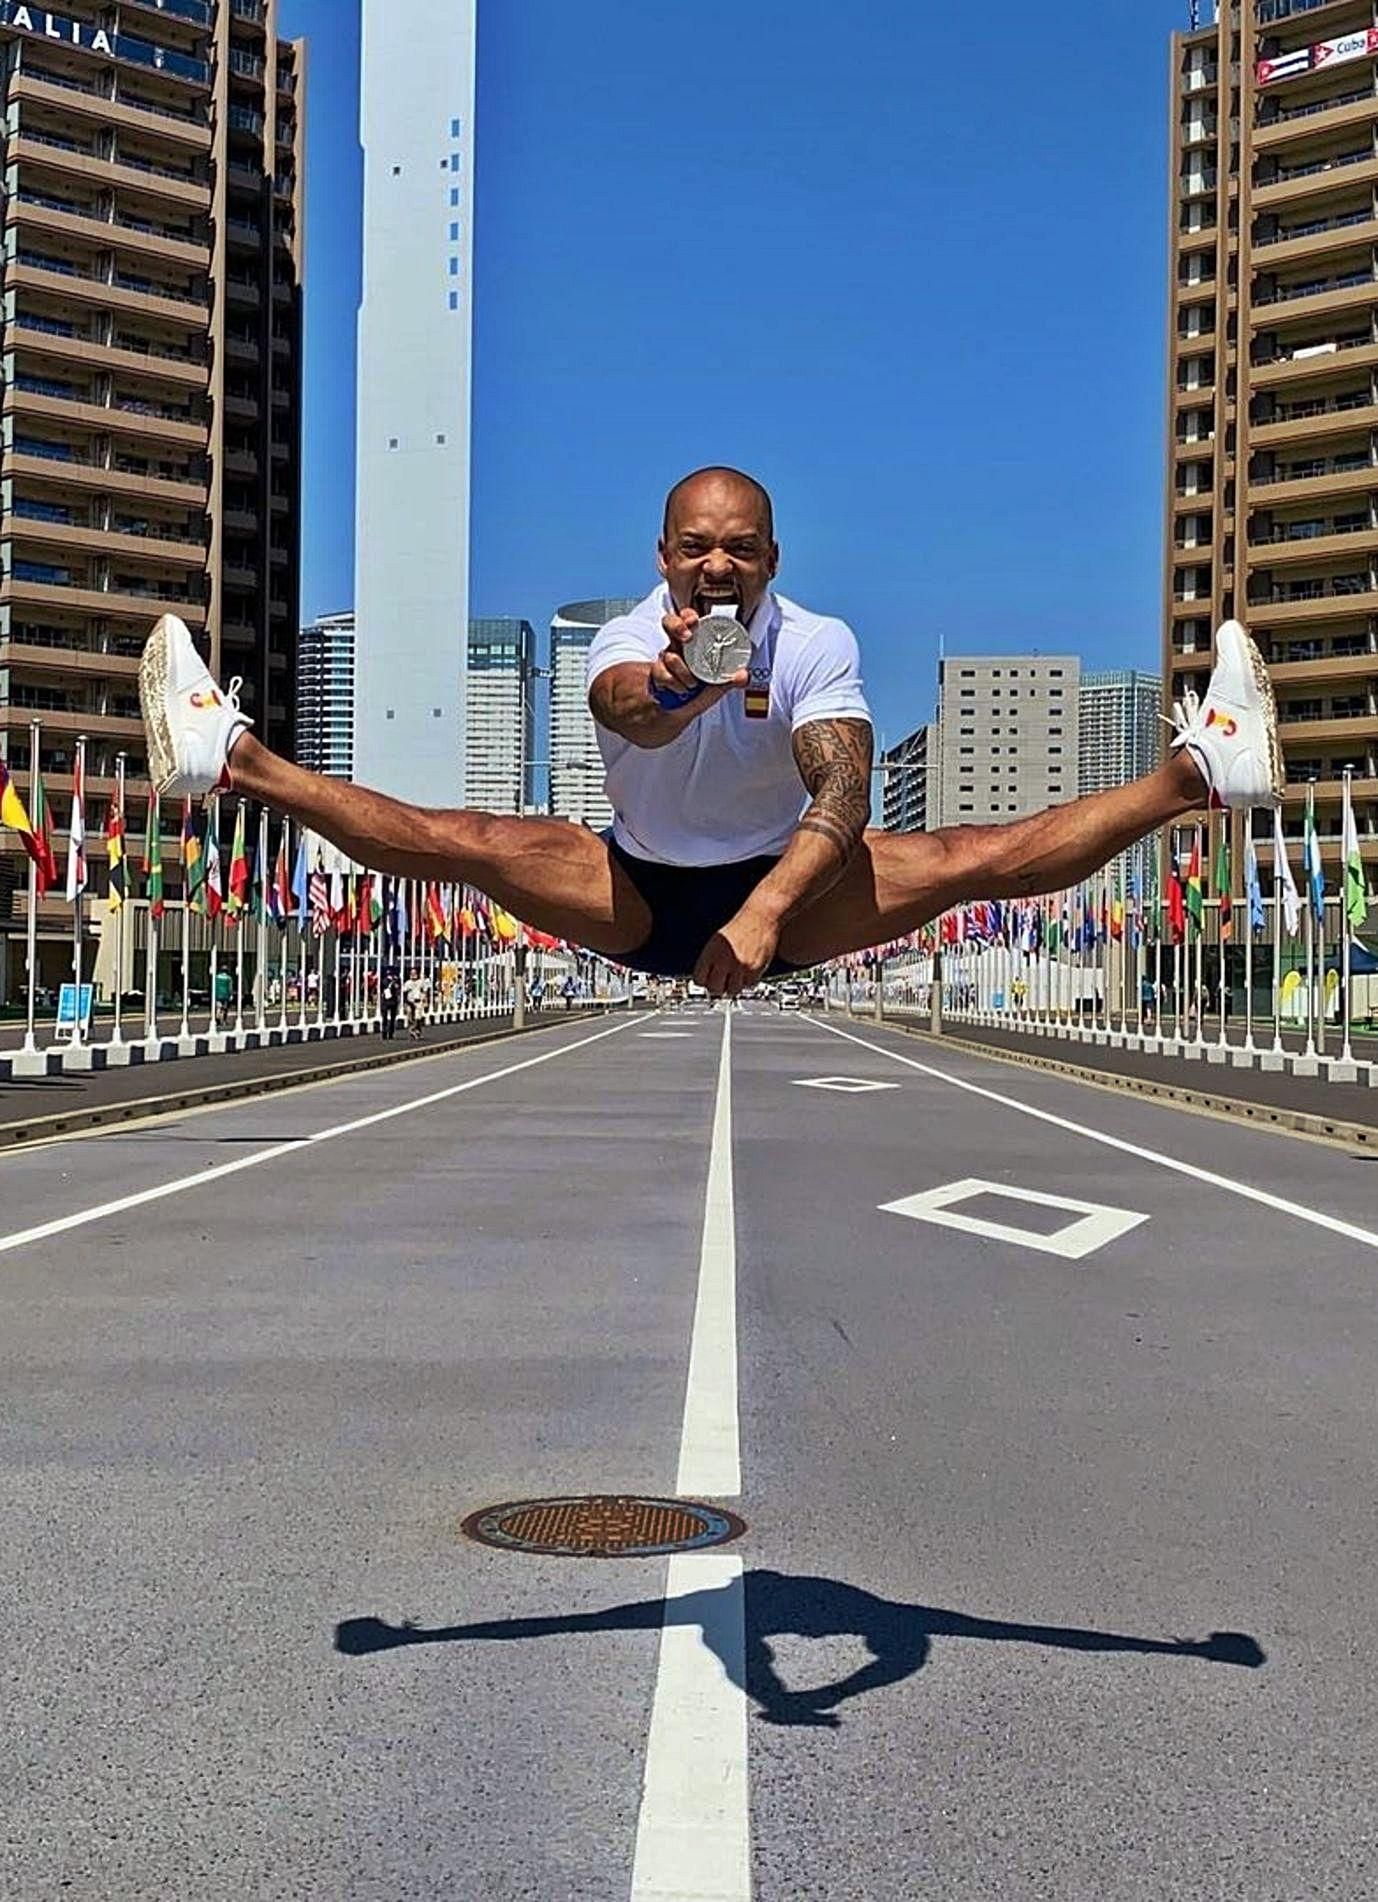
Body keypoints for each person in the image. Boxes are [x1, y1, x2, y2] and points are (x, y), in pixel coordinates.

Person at [137, 466, 1282, 998]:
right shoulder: (626, 635)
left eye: (740, 547)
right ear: (664, 557)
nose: (717, 564)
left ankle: (1198, 773)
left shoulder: (818, 642)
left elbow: (840, 799)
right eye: (696, 546)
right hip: (638, 883)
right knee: (470, 836)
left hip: (788, 884)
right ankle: (229, 758)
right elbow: (617, 709)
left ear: (773, 559)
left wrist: (763, 916)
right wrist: (682, 684)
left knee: (969, 855)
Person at [379, 966, 401, 1041]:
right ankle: (385, 1033)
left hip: (392, 1001)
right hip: (387, 1001)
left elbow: (398, 989)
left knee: (392, 1018)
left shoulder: (396, 981)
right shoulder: (385, 981)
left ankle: (390, 1033)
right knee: (385, 1018)